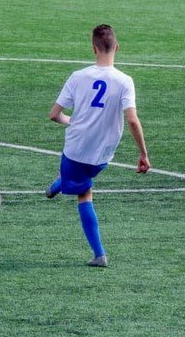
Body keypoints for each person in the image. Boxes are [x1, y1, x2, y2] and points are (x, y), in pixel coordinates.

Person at [46, 25, 150, 267]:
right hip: (103, 155)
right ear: (117, 47)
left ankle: (99, 254)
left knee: (83, 193)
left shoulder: (78, 76)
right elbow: (132, 120)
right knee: (84, 177)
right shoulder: (125, 81)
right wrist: (143, 154)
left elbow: (54, 115)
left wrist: (71, 121)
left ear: (93, 49)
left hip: (76, 150)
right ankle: (59, 184)